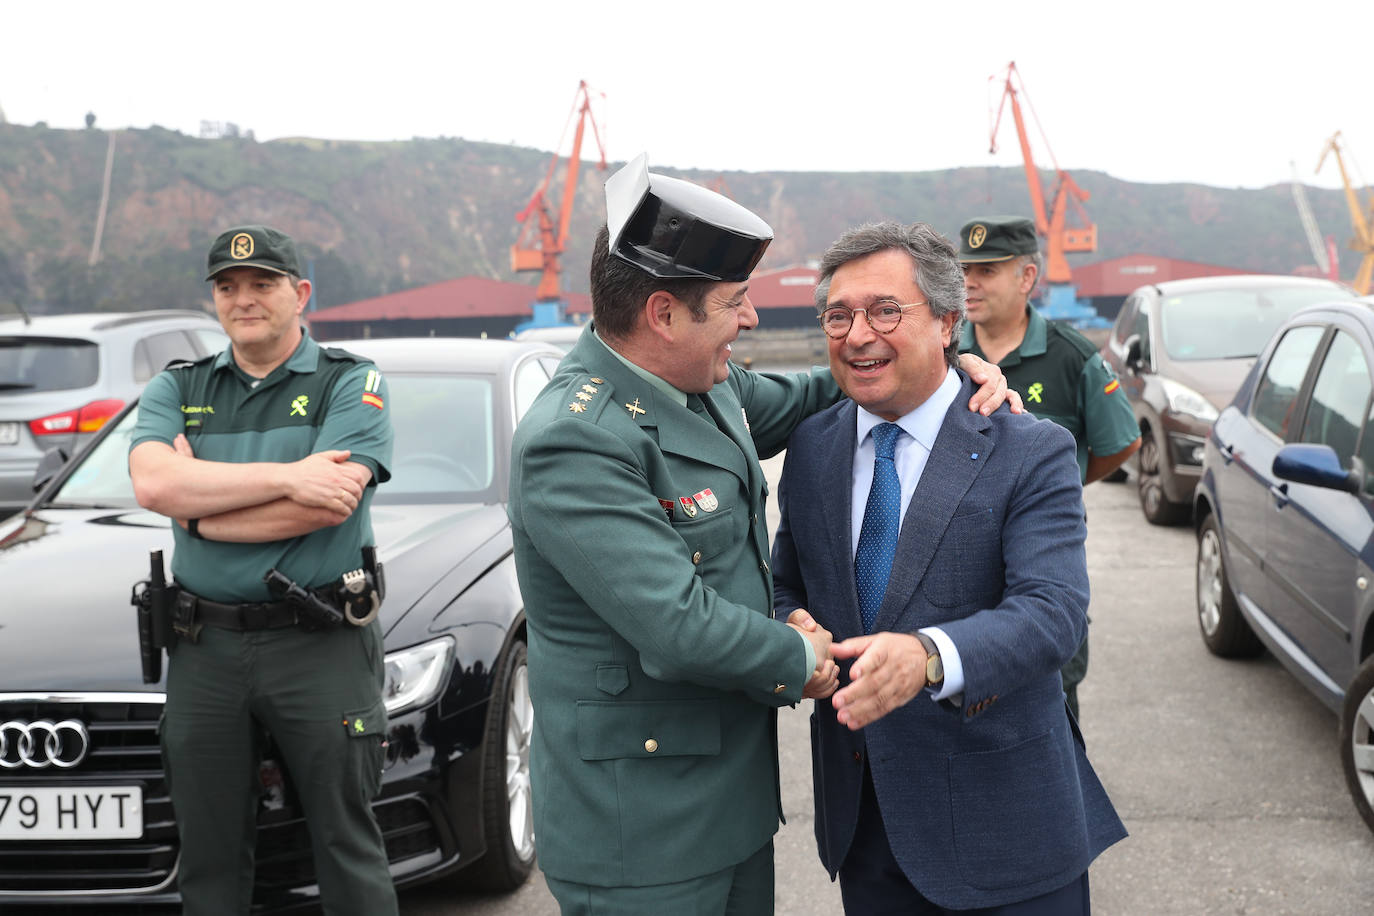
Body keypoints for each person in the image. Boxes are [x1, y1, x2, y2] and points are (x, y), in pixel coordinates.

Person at [507, 155, 1016, 916]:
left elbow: (821, 391)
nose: (749, 321)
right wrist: (802, 655)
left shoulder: (703, 386)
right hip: (643, 830)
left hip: (727, 804)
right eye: (734, 303)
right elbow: (675, 625)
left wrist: (943, 368)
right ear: (663, 315)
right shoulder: (577, 441)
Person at [772, 221, 1126, 915]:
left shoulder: (1031, 448)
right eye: (838, 316)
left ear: (946, 323)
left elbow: (1053, 614)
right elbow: (787, 581)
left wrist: (930, 656)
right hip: (868, 830)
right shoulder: (812, 448)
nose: (857, 334)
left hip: (1010, 835)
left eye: (884, 311)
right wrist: (791, 628)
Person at [128, 225, 398, 916]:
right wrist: (286, 478)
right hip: (204, 649)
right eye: (227, 287)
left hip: (320, 643)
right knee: (210, 859)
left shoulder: (349, 380)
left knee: (349, 849)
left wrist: (201, 506)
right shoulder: (176, 386)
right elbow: (156, 486)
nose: (243, 299)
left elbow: (331, 503)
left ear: (300, 293)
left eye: (263, 284)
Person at [957, 215, 1141, 719]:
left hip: (1039, 561)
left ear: (1027, 277)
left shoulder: (1071, 358)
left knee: (1050, 700)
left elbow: (1119, 443)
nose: (970, 282)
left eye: (988, 270)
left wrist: (1057, 486)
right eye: (965, 269)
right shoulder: (944, 356)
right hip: (957, 563)